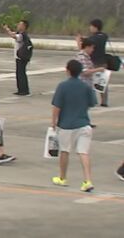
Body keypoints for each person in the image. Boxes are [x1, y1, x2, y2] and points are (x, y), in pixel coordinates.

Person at [51, 59, 98, 192]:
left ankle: (62, 177)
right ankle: (88, 180)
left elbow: (57, 106)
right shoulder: (86, 86)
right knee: (83, 152)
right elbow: (92, 103)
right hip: (83, 123)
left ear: (68, 71)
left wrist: (53, 122)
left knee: (65, 151)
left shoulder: (62, 86)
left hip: (66, 125)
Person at [77, 19, 109, 107]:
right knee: (102, 82)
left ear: (95, 27)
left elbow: (82, 47)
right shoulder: (104, 36)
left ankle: (92, 99)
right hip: (103, 61)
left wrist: (79, 40)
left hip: (93, 62)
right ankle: (104, 101)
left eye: (91, 26)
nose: (90, 28)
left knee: (91, 81)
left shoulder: (93, 38)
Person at [3, 20, 32, 96]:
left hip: (21, 57)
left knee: (21, 74)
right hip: (21, 57)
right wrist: (8, 29)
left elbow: (13, 36)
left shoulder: (22, 35)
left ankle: (23, 90)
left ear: (24, 26)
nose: (18, 26)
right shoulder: (21, 34)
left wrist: (7, 29)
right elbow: (13, 34)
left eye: (20, 24)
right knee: (20, 73)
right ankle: (22, 89)